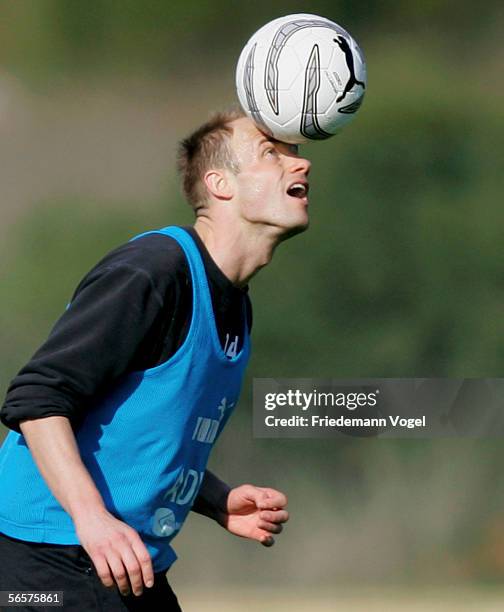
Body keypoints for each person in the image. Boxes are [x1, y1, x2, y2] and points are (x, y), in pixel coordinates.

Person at [0, 108, 311, 611]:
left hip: (123, 561)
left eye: (296, 153)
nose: (301, 165)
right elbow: (36, 401)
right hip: (44, 561)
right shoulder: (153, 271)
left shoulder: (234, 300)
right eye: (272, 154)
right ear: (219, 184)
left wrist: (214, 499)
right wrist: (91, 519)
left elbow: (138, 434)